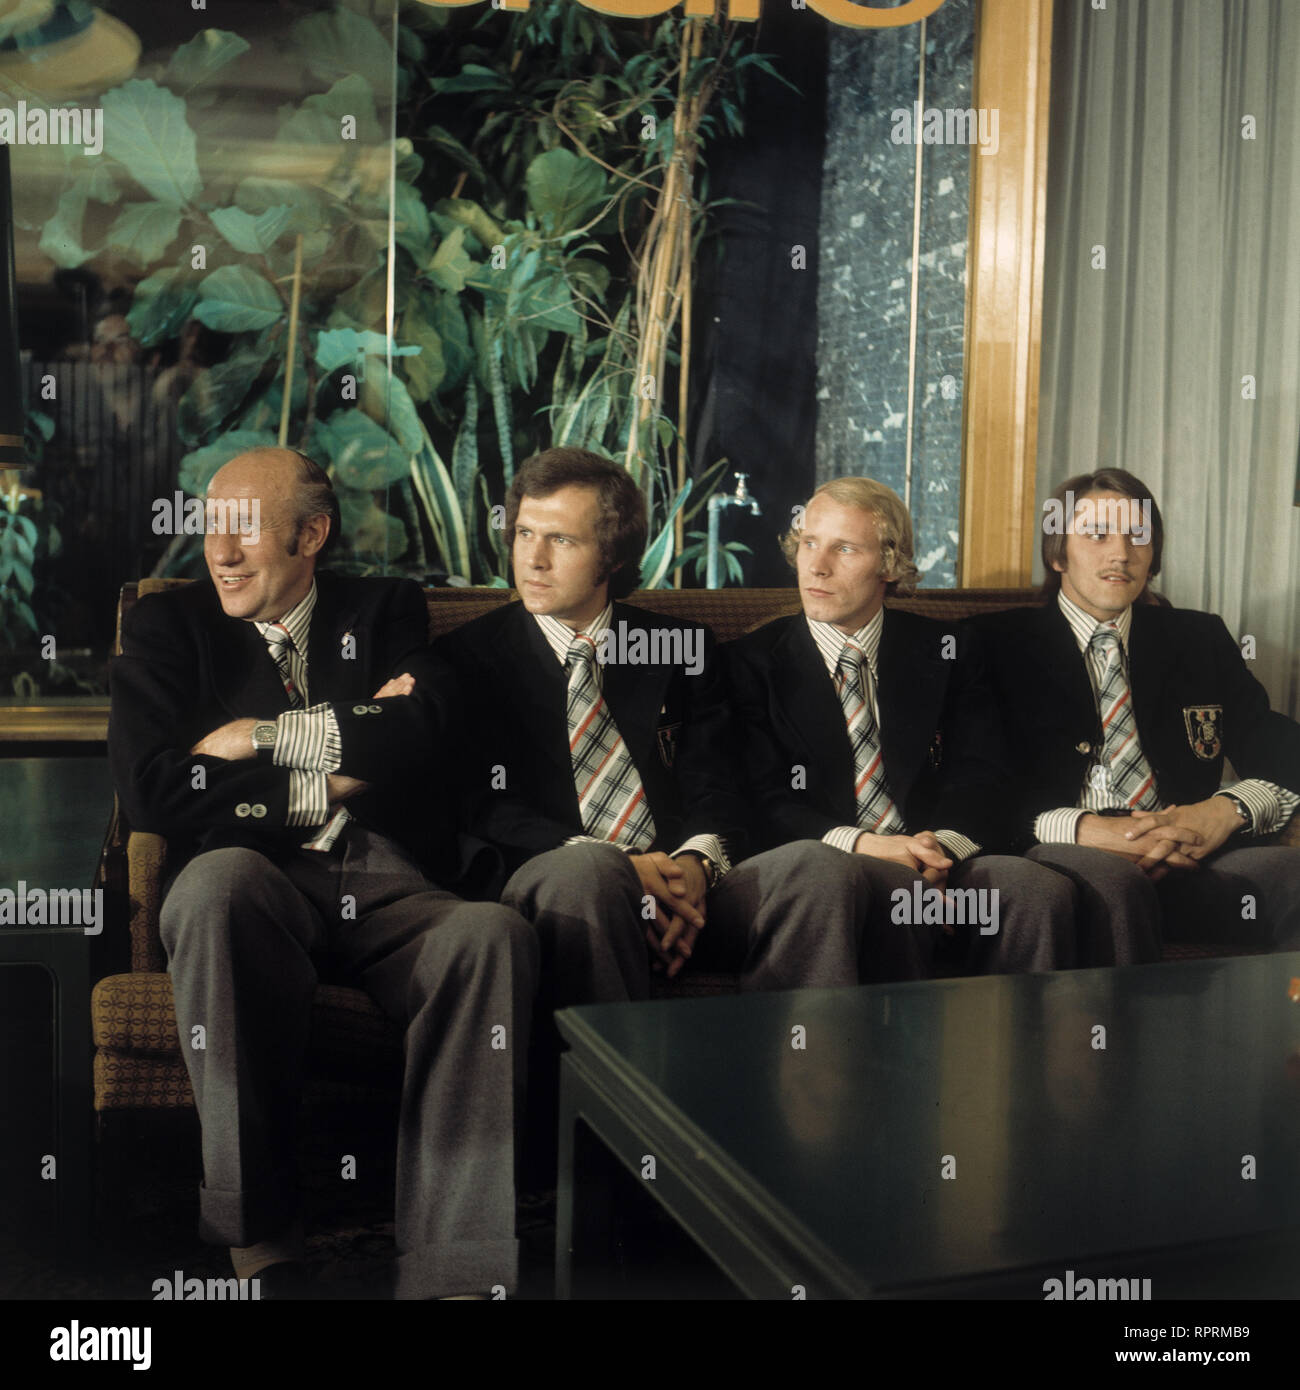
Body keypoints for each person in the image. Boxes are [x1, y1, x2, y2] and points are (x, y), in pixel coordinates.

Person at [109, 447, 537, 1300]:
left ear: (312, 534)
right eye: (208, 528)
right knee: (212, 888)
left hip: (390, 877)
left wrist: (255, 740)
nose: (219, 553)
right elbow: (156, 789)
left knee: (491, 934)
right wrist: (332, 776)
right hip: (255, 875)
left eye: (244, 531)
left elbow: (426, 730)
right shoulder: (171, 624)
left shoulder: (384, 607)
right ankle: (260, 1241)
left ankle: (454, 1269)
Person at [724, 476, 1077, 975]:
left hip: (938, 851)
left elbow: (982, 775)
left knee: (1037, 889)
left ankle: (1022, 1050)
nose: (817, 567)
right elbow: (763, 801)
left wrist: (935, 854)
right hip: (824, 858)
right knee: (900, 896)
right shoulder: (748, 662)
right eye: (808, 544)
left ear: (889, 565)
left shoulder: (947, 650)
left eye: (844, 549)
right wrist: (875, 849)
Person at [972, 468, 1300, 961]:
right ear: (1058, 552)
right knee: (1116, 881)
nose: (1121, 553)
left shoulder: (1197, 639)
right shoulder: (991, 645)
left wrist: (1224, 810)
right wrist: (1082, 829)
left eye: (1138, 536)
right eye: (1097, 534)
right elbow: (973, 785)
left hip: (1189, 857)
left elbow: (1279, 747)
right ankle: (1121, 1039)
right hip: (1059, 857)